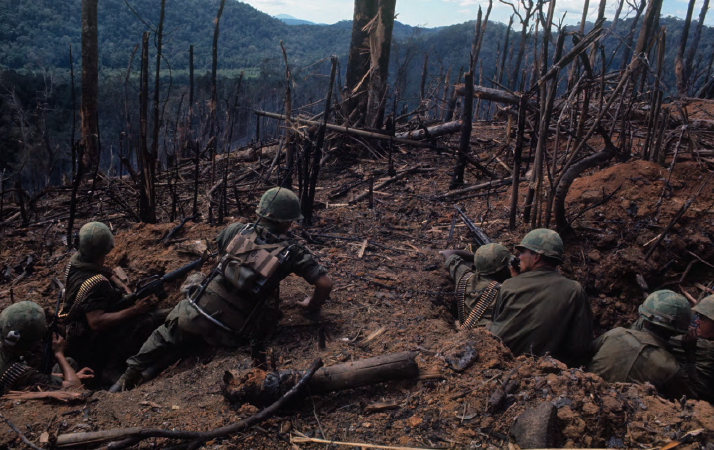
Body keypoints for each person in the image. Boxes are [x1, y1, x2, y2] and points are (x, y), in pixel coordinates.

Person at [110, 187, 333, 392]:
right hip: (233, 333)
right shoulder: (292, 252)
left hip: (194, 315)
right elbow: (325, 283)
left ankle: (126, 379)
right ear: (289, 221)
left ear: (261, 213)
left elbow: (219, 258)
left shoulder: (235, 230)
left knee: (165, 335)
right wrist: (311, 305)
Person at [61, 222, 167, 387]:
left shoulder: (77, 262)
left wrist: (127, 293)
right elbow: (96, 322)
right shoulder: (96, 284)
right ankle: (112, 367)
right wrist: (135, 310)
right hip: (90, 344)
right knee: (148, 321)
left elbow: (104, 272)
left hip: (76, 333)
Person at [489, 228, 593, 366]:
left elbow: (496, 326)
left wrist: (515, 282)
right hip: (549, 370)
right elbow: (580, 345)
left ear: (537, 257)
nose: (519, 258)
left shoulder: (509, 285)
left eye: (522, 252)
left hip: (503, 364)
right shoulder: (575, 290)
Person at [589, 290, 697, 400]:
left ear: (644, 318)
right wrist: (690, 355)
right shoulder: (669, 367)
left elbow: (584, 356)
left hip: (587, 398)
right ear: (678, 331)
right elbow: (692, 399)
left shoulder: (614, 334)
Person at [0, 301, 92, 394]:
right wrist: (59, 354)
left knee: (69, 363)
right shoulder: (17, 371)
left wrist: (68, 376)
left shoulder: (5, 346)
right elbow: (75, 387)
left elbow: (37, 375)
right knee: (68, 363)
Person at [439, 243, 515, 329]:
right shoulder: (504, 291)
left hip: (465, 334)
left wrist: (480, 259)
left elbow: (448, 253)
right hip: (489, 339)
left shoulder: (464, 277)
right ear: (501, 269)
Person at [670, 294, 714, 402]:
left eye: (703, 318)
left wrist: (690, 355)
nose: (697, 321)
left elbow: (696, 392)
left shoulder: (709, 350)